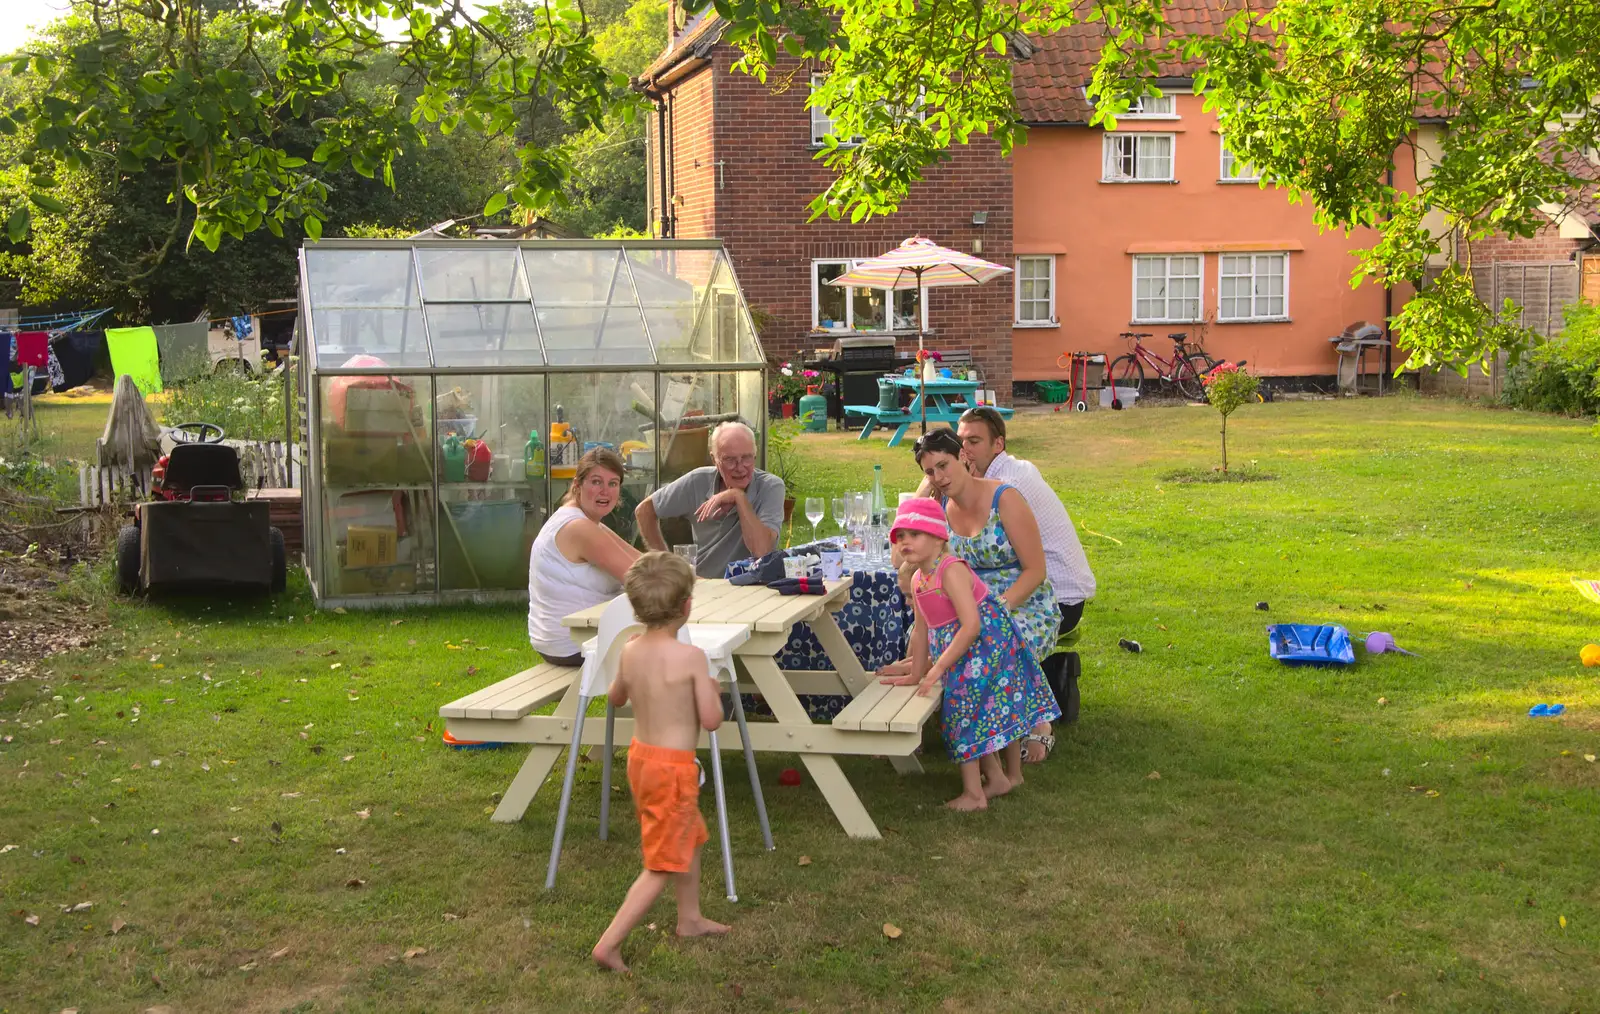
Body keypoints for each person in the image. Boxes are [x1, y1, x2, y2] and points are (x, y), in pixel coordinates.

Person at [887, 429, 1059, 786]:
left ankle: (1025, 723)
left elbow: (1036, 570)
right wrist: (925, 491)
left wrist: (996, 609)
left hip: (1020, 601)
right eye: (930, 471)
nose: (940, 477)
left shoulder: (1005, 498)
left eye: (944, 465)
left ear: (964, 456)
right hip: (964, 598)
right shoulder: (939, 511)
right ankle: (917, 722)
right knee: (921, 635)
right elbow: (897, 555)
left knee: (979, 644)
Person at [592, 552, 730, 972]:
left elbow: (615, 697)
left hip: (642, 761)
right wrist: (713, 689)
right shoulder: (691, 660)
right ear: (687, 605)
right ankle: (609, 944)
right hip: (673, 767)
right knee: (662, 861)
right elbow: (711, 721)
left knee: (687, 839)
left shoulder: (630, 650)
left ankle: (689, 919)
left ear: (635, 606)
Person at [956, 407, 1096, 761]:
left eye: (974, 441)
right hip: (1025, 588)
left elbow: (1026, 569)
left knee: (989, 633)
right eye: (960, 442)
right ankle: (1050, 678)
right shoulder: (998, 474)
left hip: (1056, 598)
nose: (965, 451)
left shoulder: (1008, 486)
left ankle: (1034, 719)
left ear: (998, 444)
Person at [527, 448, 641, 666]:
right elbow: (638, 577)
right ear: (577, 485)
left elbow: (639, 559)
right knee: (670, 642)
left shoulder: (582, 520)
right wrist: (685, 579)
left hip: (561, 641)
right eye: (596, 482)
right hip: (573, 644)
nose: (605, 492)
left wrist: (686, 574)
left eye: (613, 483)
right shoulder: (578, 528)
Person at [635, 421, 785, 578]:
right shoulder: (698, 481)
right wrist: (664, 564)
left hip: (752, 586)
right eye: (730, 460)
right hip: (704, 586)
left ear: (755, 454)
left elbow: (762, 551)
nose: (740, 467)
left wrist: (738, 497)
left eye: (747, 458)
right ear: (714, 460)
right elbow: (644, 510)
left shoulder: (770, 487)